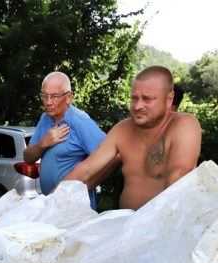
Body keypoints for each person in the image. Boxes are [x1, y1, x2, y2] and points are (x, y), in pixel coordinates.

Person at [63, 66, 201, 210]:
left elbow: (179, 176)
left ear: (169, 99)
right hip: (125, 224)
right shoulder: (123, 129)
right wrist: (49, 203)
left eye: (147, 99)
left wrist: (153, 227)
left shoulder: (184, 125)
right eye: (134, 98)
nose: (138, 106)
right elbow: (86, 169)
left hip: (164, 225)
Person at [23, 71, 106, 208]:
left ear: (69, 97)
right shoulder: (45, 119)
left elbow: (113, 157)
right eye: (44, 96)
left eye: (54, 96)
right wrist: (42, 144)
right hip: (51, 206)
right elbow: (27, 157)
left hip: (74, 208)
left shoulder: (80, 121)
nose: (48, 102)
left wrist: (86, 185)